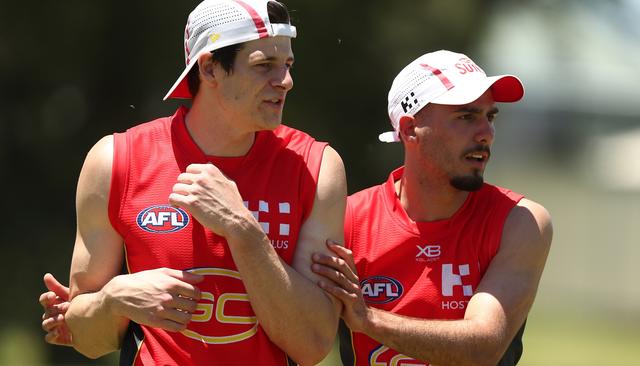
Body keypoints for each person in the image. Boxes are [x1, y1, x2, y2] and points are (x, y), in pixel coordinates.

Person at [38, 0, 346, 365]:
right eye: (264, 66)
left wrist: (242, 230)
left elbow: (312, 345)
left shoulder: (316, 166)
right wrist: (113, 299)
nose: (286, 81)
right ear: (210, 67)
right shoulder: (115, 160)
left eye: (287, 65)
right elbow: (87, 340)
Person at [310, 50, 552, 365]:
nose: (486, 134)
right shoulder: (347, 219)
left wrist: (368, 320)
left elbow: (483, 348)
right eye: (466, 117)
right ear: (410, 130)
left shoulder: (521, 221)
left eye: (489, 116)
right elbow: (302, 338)